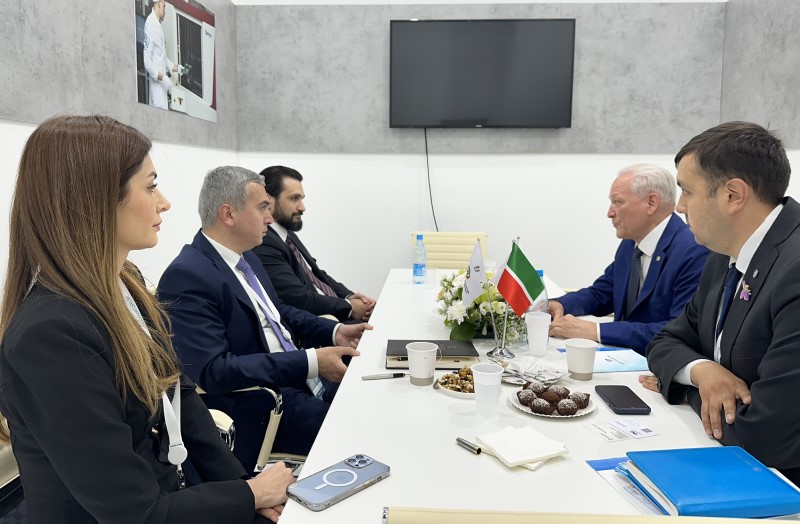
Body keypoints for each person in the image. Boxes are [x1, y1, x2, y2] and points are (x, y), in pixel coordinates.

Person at [0, 115, 294, 523]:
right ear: (96, 198)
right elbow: (135, 513)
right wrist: (248, 494)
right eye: (151, 186)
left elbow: (180, 396)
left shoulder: (128, 283)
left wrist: (251, 492)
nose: (164, 202)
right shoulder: (51, 334)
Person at [158, 166, 371, 473]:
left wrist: (335, 331)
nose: (270, 219)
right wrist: (309, 362)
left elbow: (278, 312)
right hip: (265, 402)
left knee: (372, 393)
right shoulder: (188, 276)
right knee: (358, 427)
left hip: (297, 377)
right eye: (262, 208)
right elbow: (214, 371)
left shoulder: (247, 257)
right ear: (228, 214)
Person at [642, 121, 800, 486]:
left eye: (687, 191)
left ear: (733, 195)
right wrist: (702, 371)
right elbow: (666, 340)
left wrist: (689, 391)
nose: (679, 207)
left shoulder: (794, 269)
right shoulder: (723, 254)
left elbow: (763, 434)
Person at [549, 164, 709, 354]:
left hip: (657, 363)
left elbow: (678, 331)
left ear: (651, 203)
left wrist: (597, 331)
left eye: (617, 202)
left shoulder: (693, 251)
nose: (610, 213)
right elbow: (602, 293)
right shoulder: (632, 242)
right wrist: (560, 304)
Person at [253, 165, 376, 322]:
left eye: (302, 199)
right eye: (294, 198)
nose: (302, 207)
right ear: (268, 200)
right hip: (318, 322)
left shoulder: (286, 232)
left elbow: (315, 274)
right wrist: (349, 307)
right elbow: (298, 298)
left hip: (332, 313)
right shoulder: (264, 241)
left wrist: (349, 297)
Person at [144, 0, 179, 109]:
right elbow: (147, 62)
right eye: (164, 7)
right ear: (159, 4)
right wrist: (164, 78)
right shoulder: (150, 24)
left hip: (162, 89)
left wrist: (178, 68)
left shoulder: (158, 25)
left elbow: (162, 57)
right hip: (157, 90)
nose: (165, 12)